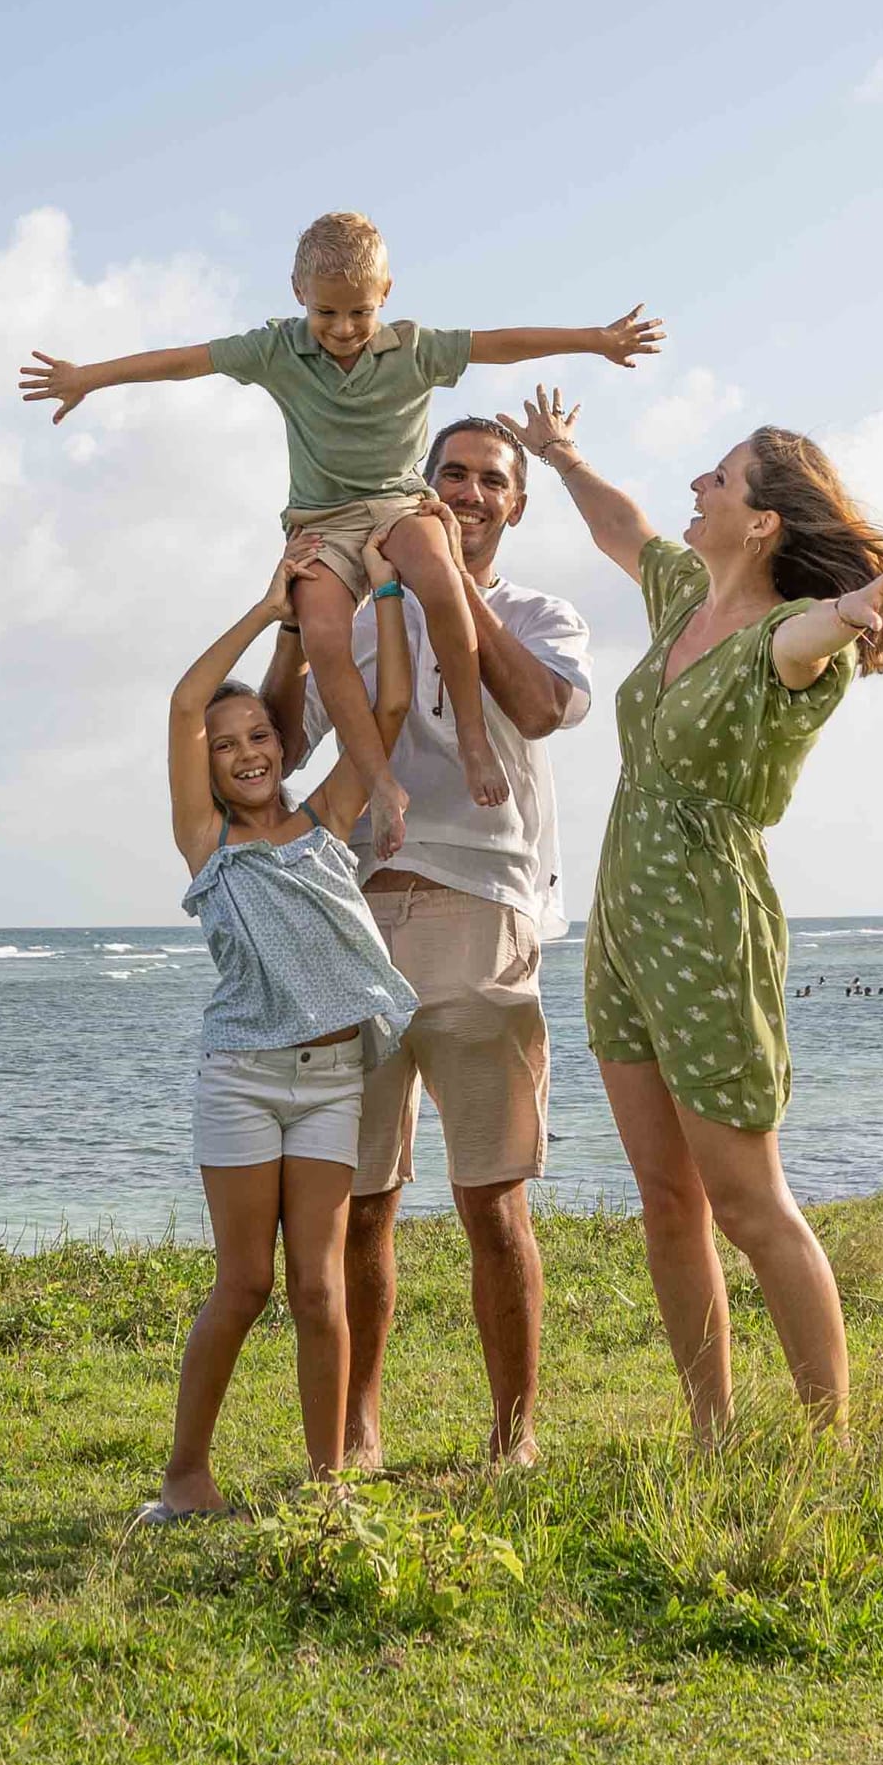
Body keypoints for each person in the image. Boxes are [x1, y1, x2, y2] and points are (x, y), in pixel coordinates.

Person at [496, 387, 883, 1441]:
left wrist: (865, 602)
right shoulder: (679, 603)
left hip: (705, 923)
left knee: (747, 1202)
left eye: (718, 476)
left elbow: (820, 640)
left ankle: (824, 1444)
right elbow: (625, 529)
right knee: (665, 1199)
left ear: (760, 520)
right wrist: (559, 456)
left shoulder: (784, 633)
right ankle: (713, 1435)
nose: (694, 485)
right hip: (619, 931)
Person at [19, 211, 659, 850]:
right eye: (327, 313)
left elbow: (501, 344)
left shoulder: (415, 348)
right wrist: (86, 378)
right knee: (322, 632)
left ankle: (472, 736)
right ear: (299, 294)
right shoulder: (275, 349)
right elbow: (186, 362)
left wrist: (596, 339)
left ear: (385, 295)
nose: (344, 329)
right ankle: (380, 783)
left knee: (442, 581)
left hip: (401, 505)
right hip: (320, 522)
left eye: (360, 312)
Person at [262, 416, 591, 1468]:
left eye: (489, 480)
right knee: (359, 1200)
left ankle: (513, 1435)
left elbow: (537, 710)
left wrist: (452, 590)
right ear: (417, 488)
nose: (467, 491)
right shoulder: (350, 625)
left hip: (477, 908)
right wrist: (290, 617)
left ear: (516, 504)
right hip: (351, 913)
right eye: (447, 475)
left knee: (490, 1199)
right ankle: (355, 1432)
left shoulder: (541, 613)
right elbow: (271, 742)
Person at [142, 529, 420, 1522]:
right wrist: (267, 613)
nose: (244, 752)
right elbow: (183, 703)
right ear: (208, 771)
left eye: (257, 735)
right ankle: (185, 1479)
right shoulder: (205, 843)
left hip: (331, 1081)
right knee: (242, 1283)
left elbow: (382, 710)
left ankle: (326, 1485)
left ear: (279, 744)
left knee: (318, 1288)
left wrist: (383, 589)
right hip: (242, 1081)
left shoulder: (325, 822)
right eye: (225, 748)